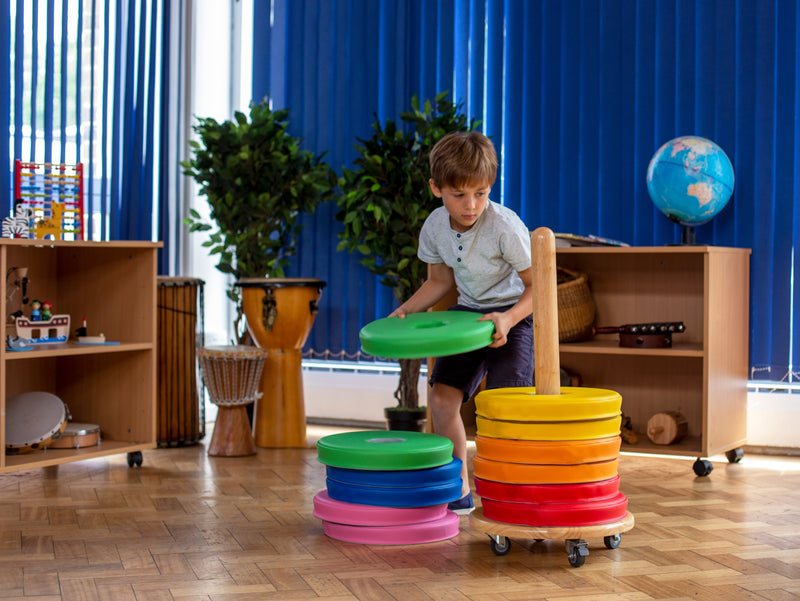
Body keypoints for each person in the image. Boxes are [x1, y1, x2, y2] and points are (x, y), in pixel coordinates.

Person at [390, 131, 534, 514]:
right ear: (436, 188)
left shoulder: (505, 226)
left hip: (513, 316)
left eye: (481, 193)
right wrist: (405, 311)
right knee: (441, 399)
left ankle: (509, 496)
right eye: (459, 195)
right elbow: (439, 281)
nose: (471, 205)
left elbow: (539, 289)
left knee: (505, 407)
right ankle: (459, 490)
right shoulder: (435, 227)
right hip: (468, 316)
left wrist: (508, 318)